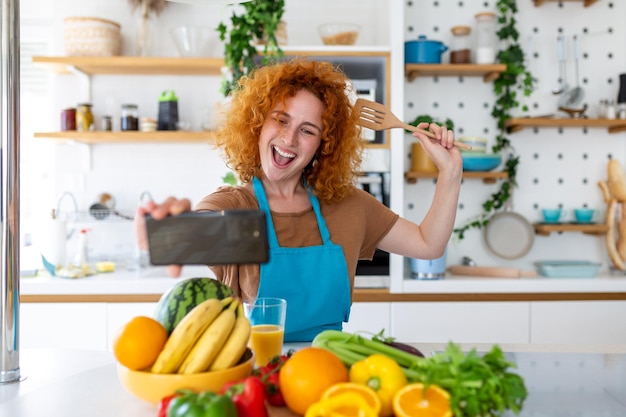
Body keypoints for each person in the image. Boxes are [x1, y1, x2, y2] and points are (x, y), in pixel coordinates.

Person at [136, 58, 463, 342]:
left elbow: (427, 244)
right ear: (257, 124)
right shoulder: (233, 206)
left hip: (323, 371)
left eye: (308, 130)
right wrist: (163, 228)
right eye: (280, 119)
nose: (289, 139)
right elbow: (173, 241)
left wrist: (450, 172)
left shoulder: (349, 206)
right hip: (252, 369)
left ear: (324, 145)